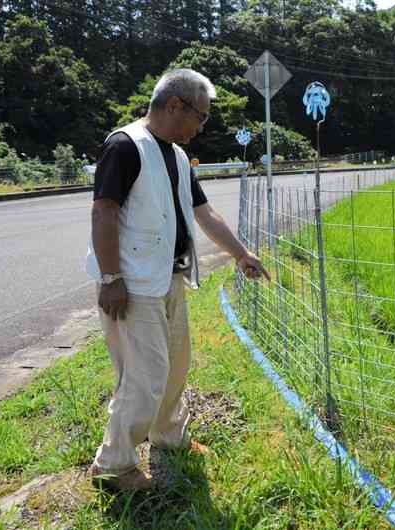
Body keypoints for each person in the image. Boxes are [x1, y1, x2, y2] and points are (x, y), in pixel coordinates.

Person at [85, 68, 269, 490]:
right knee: (144, 375)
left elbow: (204, 213)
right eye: (201, 116)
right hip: (130, 283)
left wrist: (240, 254)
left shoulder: (177, 155)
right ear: (175, 106)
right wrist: (111, 276)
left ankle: (169, 436)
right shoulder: (125, 146)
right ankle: (113, 465)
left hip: (169, 277)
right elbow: (103, 211)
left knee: (174, 365)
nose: (202, 126)